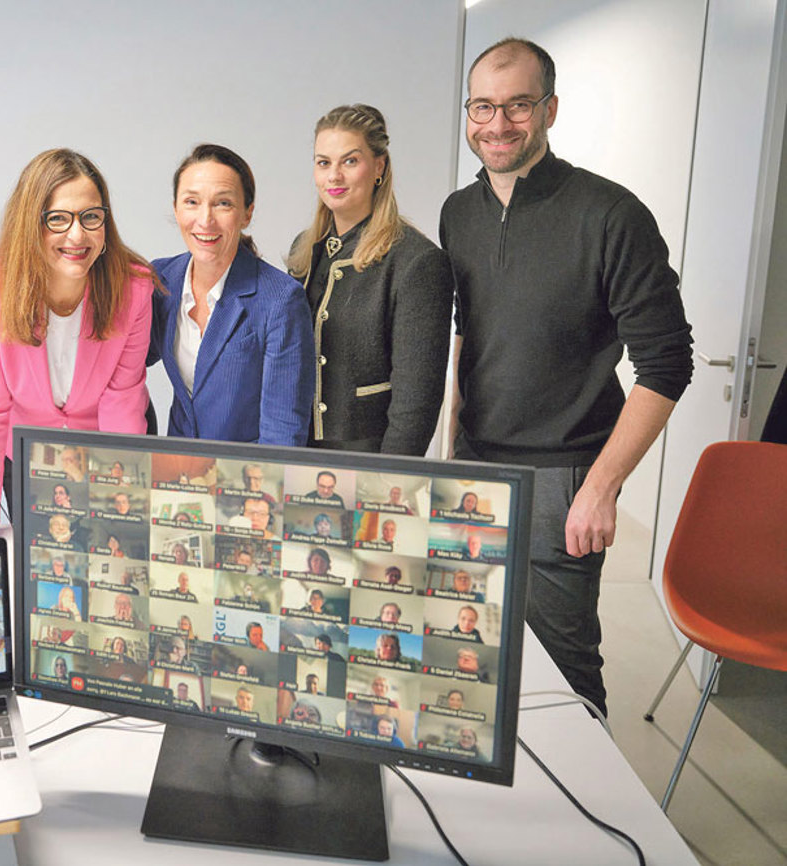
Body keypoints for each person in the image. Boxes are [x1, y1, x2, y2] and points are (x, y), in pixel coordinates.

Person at [443, 38, 693, 717]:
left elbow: (668, 363)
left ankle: (592, 821)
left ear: (550, 109)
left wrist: (603, 487)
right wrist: (448, 448)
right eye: (484, 107)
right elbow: (468, 333)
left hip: (564, 480)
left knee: (564, 675)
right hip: (474, 469)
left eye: (518, 105)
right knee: (476, 657)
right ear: (468, 113)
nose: (498, 124)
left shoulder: (610, 214)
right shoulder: (457, 214)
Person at [0, 149, 154, 532]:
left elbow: (122, 405)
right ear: (31, 224)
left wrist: (123, 508)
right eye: (58, 219)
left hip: (107, 453)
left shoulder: (133, 289)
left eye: (91, 217)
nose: (77, 235)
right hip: (24, 455)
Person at [288, 104, 452, 456]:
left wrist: (389, 482)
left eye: (349, 161)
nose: (334, 176)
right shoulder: (305, 250)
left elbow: (417, 403)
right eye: (323, 162)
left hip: (370, 459)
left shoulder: (416, 261)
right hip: (297, 454)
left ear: (378, 166)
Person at [149, 144, 314, 444]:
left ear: (247, 213)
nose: (205, 219)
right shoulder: (161, 281)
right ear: (175, 207)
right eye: (191, 202)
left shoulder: (280, 300)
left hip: (245, 479)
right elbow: (117, 367)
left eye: (223, 203)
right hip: (176, 474)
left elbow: (283, 432)